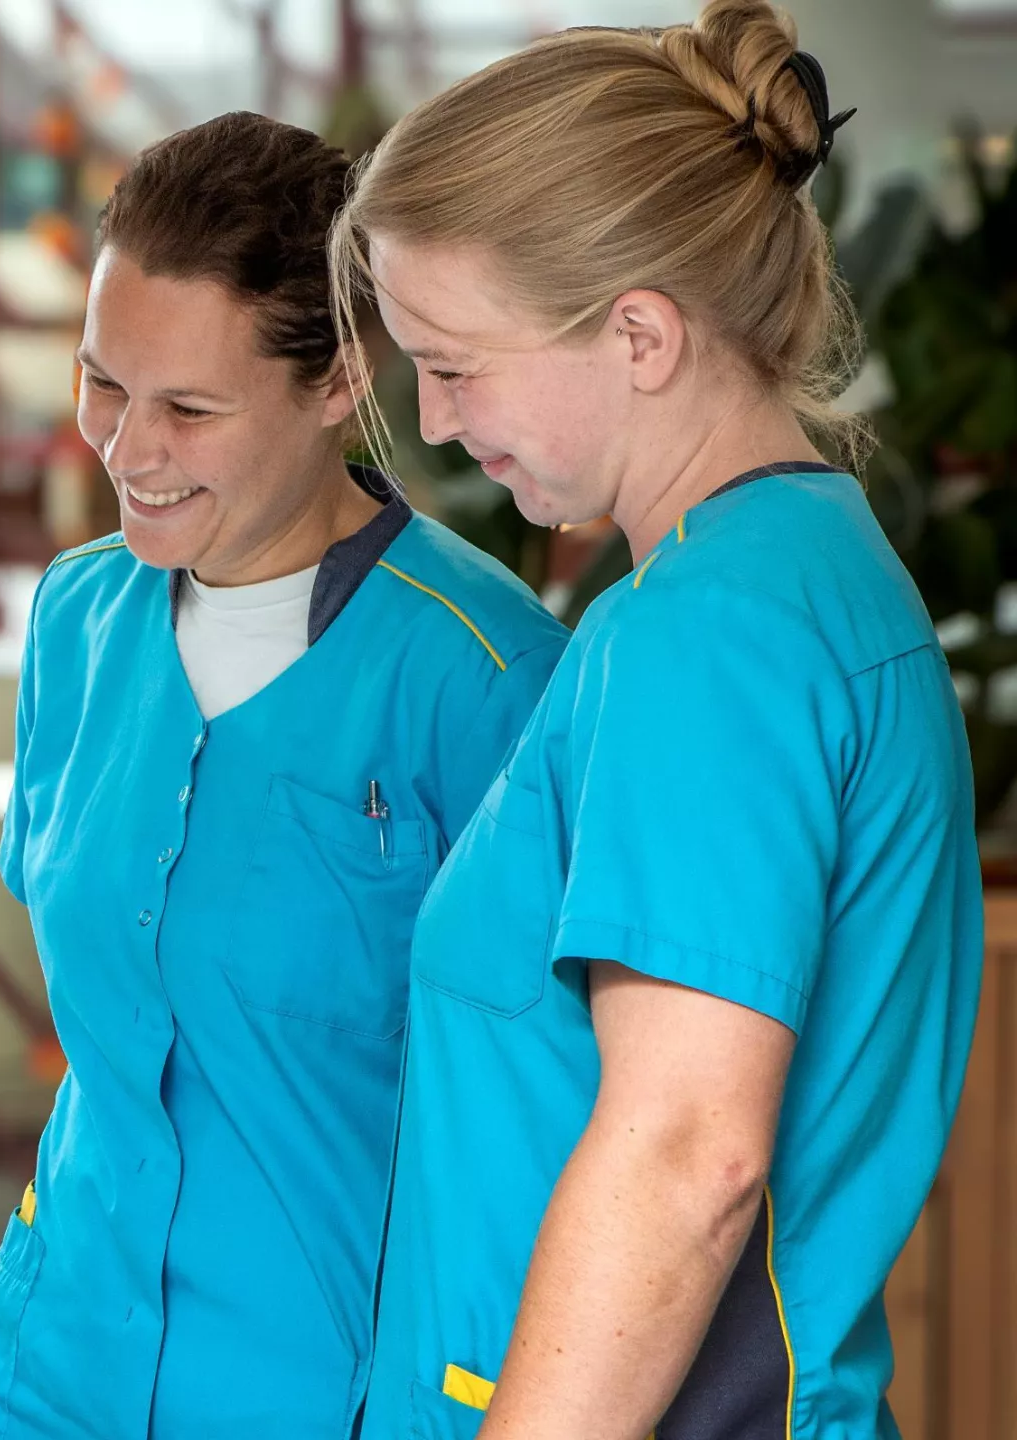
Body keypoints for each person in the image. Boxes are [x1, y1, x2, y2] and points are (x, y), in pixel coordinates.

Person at [329, 4, 982, 1437]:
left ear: (638, 334)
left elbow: (688, 1156)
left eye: (456, 363)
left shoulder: (707, 636)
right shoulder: (799, 574)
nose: (431, 422)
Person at [0, 112, 568, 1439]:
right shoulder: (78, 618)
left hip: (323, 1396)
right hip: (45, 1374)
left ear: (341, 378)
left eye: (189, 409)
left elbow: (539, 1126)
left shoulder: (489, 683)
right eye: (103, 382)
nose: (127, 450)